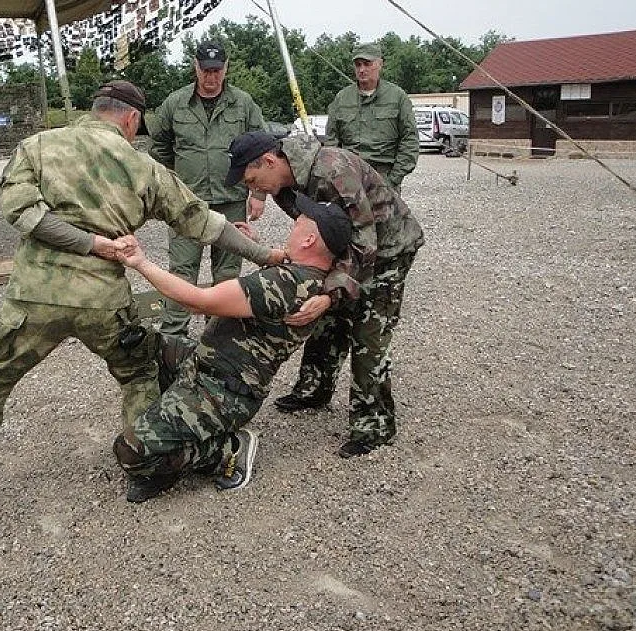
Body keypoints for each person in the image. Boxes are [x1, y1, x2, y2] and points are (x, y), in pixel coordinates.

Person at [0, 81, 283, 518]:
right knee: (138, 373)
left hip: (33, 298)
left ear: (96, 109)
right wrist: (265, 255)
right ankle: (146, 472)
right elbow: (205, 224)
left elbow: (21, 213)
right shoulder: (142, 166)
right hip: (105, 302)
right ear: (132, 118)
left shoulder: (37, 147)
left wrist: (84, 242)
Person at [111, 195, 353, 503]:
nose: (293, 225)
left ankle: (228, 450)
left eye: (299, 223)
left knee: (130, 452)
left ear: (308, 240)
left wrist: (141, 263)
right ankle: (175, 421)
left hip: (223, 391)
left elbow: (197, 301)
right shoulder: (315, 280)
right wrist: (256, 244)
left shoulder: (283, 283)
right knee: (141, 345)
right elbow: (281, 275)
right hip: (210, 364)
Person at [225, 131, 424, 458]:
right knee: (327, 321)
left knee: (368, 333)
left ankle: (374, 426)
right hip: (349, 248)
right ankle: (314, 389)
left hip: (388, 251)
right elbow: (316, 233)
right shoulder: (284, 186)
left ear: (270, 161)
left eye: (252, 180)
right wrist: (266, 250)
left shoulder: (333, 172)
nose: (253, 189)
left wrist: (331, 294)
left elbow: (364, 242)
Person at [149, 40, 267, 336]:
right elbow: (158, 145)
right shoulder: (175, 103)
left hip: (231, 200)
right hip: (186, 204)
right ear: (195, 67)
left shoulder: (243, 103)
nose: (211, 77)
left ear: (226, 68)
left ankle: (219, 335)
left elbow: (262, 147)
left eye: (216, 70)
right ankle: (174, 338)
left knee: (227, 273)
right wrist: (176, 178)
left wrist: (259, 194)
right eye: (205, 70)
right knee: (181, 271)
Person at [325, 42, 419, 192]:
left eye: (367, 64)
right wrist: (338, 176)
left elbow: (410, 140)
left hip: (385, 176)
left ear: (380, 64)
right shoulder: (342, 99)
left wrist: (393, 179)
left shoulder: (397, 97)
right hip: (350, 178)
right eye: (358, 65)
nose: (362, 70)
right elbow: (331, 141)